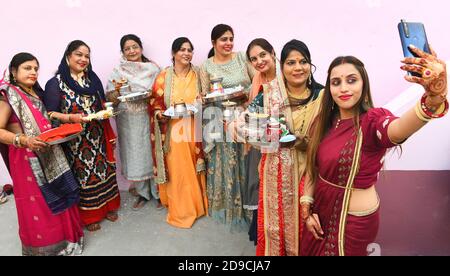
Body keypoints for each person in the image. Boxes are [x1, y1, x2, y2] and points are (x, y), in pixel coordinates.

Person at [301, 47, 448, 256]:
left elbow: (396, 130)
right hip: (321, 212)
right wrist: (307, 205)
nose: (343, 88)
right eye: (336, 82)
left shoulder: (371, 122)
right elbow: (314, 169)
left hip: (351, 220)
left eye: (351, 80)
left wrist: (434, 99)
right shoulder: (323, 122)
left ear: (363, 84)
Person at [0, 53, 84, 255]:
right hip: (26, 158)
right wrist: (24, 140)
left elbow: (47, 116)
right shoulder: (7, 95)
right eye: (27, 68)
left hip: (49, 150)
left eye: (36, 68)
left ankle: (66, 241)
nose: (33, 72)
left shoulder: (34, 92)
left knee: (60, 194)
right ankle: (45, 249)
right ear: (14, 71)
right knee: (39, 204)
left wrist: (69, 118)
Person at [246, 39, 324, 256]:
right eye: (291, 62)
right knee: (274, 232)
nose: (298, 67)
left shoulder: (323, 96)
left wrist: (302, 142)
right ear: (282, 67)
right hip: (274, 178)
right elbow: (246, 123)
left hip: (308, 176)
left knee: (307, 232)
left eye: (303, 61)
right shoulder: (268, 95)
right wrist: (260, 135)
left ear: (310, 65)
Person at [43, 40, 121, 232]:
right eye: (79, 54)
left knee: (105, 171)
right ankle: (90, 215)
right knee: (84, 176)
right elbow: (50, 113)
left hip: (98, 134)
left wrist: (107, 108)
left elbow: (102, 104)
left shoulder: (92, 79)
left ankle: (109, 206)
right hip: (75, 141)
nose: (83, 59)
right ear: (68, 56)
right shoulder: (55, 83)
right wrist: (70, 117)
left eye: (87, 56)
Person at [199, 24, 255, 231]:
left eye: (231, 38)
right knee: (226, 161)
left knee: (246, 159)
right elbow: (205, 95)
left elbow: (256, 82)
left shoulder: (242, 58)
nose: (229, 43)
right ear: (213, 43)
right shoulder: (205, 66)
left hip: (245, 116)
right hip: (219, 119)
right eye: (224, 39)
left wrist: (246, 98)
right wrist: (201, 98)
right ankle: (230, 207)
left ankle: (250, 209)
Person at [149, 37, 208, 228]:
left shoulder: (199, 73)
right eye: (182, 49)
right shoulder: (163, 77)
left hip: (195, 127)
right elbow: (154, 103)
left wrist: (202, 100)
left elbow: (207, 96)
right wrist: (160, 114)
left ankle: (199, 205)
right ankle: (183, 210)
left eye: (190, 50)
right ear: (173, 53)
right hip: (174, 131)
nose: (187, 53)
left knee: (195, 165)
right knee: (180, 169)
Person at [106, 34, 162, 210]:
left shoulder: (153, 69)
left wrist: (150, 96)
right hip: (128, 120)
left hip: (148, 117)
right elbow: (110, 95)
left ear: (141, 48)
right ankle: (143, 194)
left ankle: (159, 194)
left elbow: (161, 90)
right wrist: (116, 92)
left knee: (153, 153)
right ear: (122, 52)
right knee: (135, 156)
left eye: (134, 47)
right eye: (127, 48)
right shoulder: (118, 71)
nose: (132, 51)